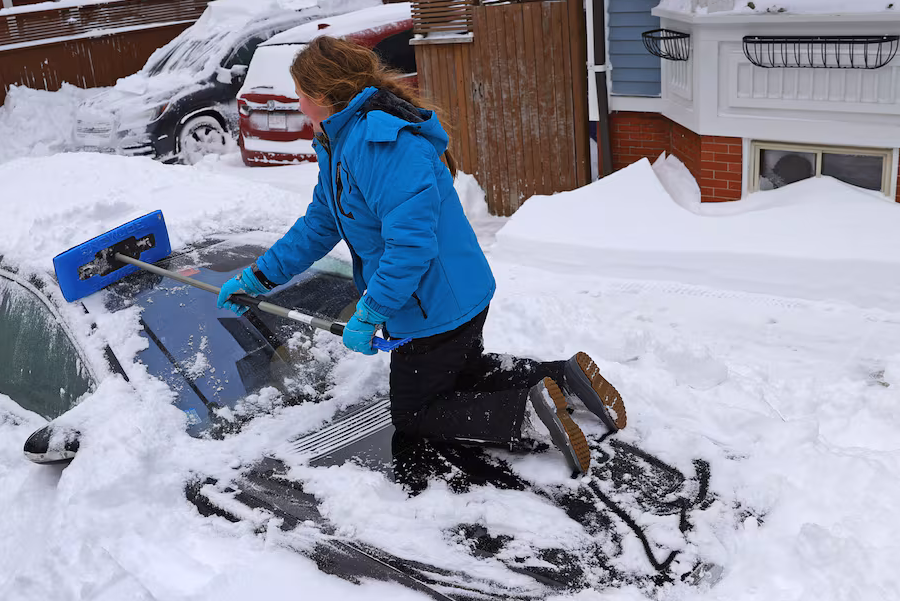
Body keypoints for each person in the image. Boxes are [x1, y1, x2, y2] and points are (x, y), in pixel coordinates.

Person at [216, 35, 626, 477]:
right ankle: (565, 379)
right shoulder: (343, 141)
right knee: (463, 378)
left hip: (432, 304)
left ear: (321, 96)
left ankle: (530, 417)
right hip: (453, 296)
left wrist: (372, 311)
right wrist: (258, 278)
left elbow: (411, 248)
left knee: (415, 413)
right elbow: (320, 224)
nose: (296, 103)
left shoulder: (378, 145)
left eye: (298, 94)